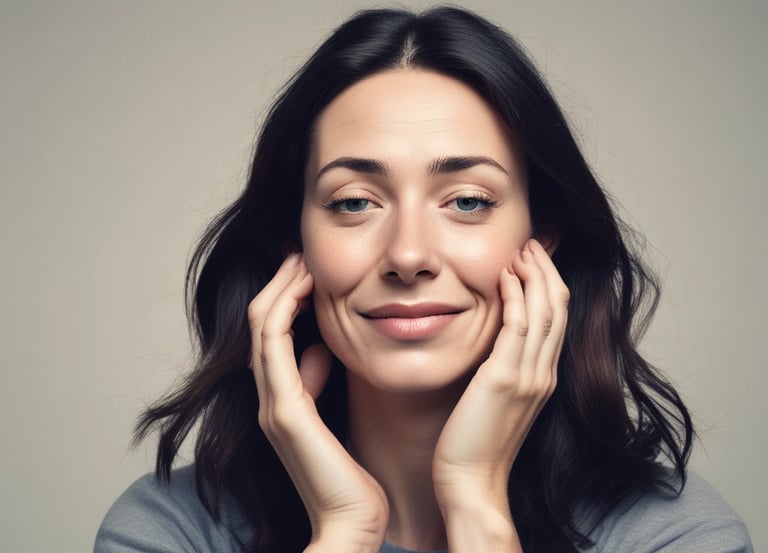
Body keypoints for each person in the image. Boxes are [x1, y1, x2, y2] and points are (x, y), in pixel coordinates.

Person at [94, 6, 753, 553]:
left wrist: (477, 507)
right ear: (294, 240)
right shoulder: (172, 530)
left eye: (467, 200)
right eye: (354, 201)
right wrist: (344, 530)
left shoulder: (675, 533)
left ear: (541, 235)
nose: (408, 254)